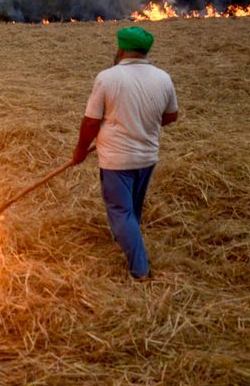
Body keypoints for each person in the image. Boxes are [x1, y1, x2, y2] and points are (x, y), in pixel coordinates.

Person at [71, 26, 178, 280]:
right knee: (132, 208)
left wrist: (79, 151)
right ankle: (128, 238)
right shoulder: (163, 78)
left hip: (117, 160)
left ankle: (140, 269)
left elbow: (90, 122)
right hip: (147, 157)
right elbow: (172, 115)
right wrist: (144, 123)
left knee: (120, 211)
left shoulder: (108, 77)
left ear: (121, 50)